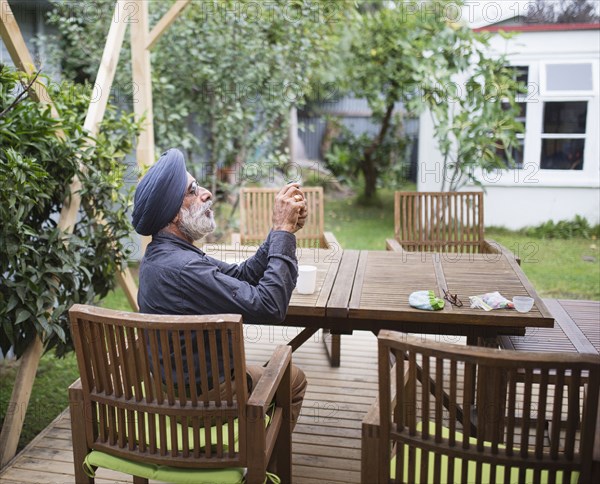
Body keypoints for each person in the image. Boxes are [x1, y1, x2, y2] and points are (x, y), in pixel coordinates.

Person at [131, 148, 308, 427]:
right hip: (208, 401)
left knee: (269, 371)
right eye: (192, 190)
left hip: (174, 391)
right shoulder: (184, 268)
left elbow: (243, 275)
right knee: (294, 379)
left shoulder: (163, 255)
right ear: (173, 214)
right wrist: (284, 233)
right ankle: (263, 463)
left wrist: (278, 232)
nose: (206, 193)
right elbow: (270, 306)